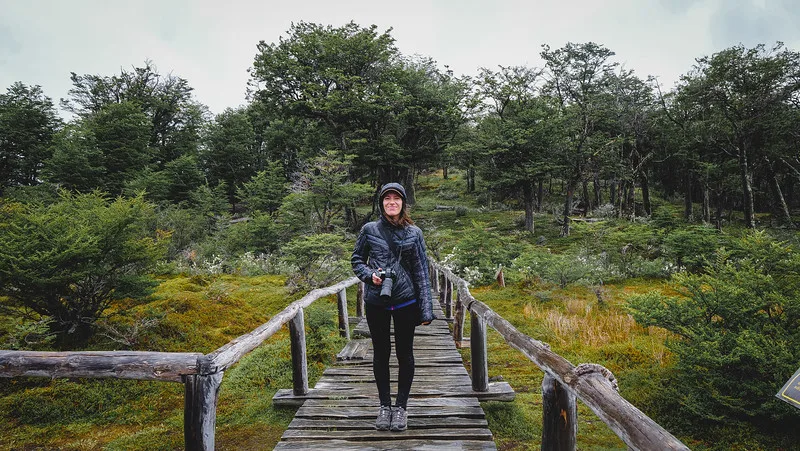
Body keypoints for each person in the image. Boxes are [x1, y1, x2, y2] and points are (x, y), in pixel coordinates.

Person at [351, 182, 435, 432]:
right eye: (386, 199)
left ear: (403, 203)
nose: (391, 202)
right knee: (381, 353)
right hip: (376, 301)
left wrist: (426, 309)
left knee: (405, 354)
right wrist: (370, 275)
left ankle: (401, 408)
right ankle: (384, 406)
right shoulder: (369, 229)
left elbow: (421, 271)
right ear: (381, 204)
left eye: (396, 199)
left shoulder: (414, 233)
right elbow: (357, 259)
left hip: (406, 302)